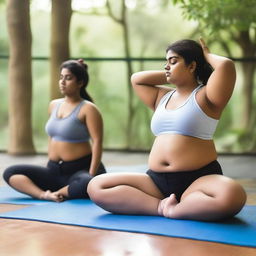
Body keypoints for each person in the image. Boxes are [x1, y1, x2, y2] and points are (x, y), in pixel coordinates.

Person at [87, 38, 247, 221]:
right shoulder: (161, 96)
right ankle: (159, 207)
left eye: (173, 61)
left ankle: (178, 209)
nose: (166, 67)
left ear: (192, 66)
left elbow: (226, 65)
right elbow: (137, 79)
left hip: (198, 180)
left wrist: (206, 56)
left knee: (232, 195)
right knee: (96, 186)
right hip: (156, 182)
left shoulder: (207, 96)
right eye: (166, 62)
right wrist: (175, 72)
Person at [3, 59, 106, 202]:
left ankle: (59, 192)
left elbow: (97, 142)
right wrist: (49, 164)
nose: (62, 82)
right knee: (11, 172)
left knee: (86, 183)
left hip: (79, 169)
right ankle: (44, 195)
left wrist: (92, 174)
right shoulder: (53, 105)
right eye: (61, 77)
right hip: (53, 170)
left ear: (80, 82)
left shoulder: (88, 109)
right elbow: (52, 136)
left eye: (68, 78)